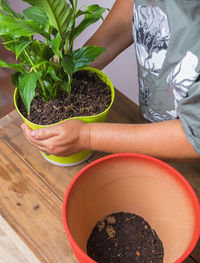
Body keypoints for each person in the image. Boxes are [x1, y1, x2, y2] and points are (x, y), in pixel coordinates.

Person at [21, 0, 200, 160]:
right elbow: (130, 11)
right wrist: (71, 67)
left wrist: (87, 136)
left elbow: (193, 135)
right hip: (153, 125)